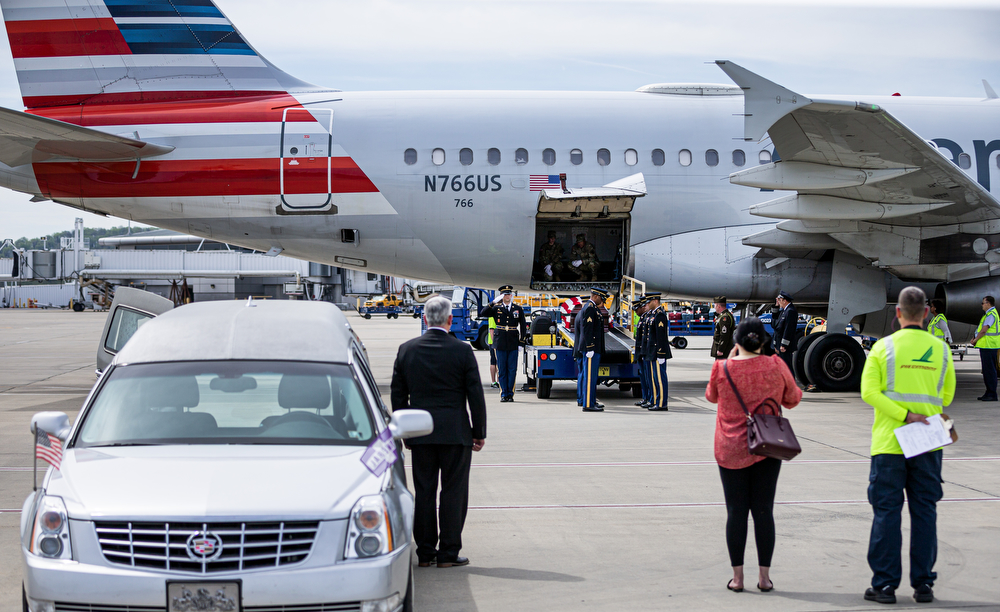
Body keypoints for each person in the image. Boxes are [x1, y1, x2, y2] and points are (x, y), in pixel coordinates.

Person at [860, 286, 955, 604]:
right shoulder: (940, 350)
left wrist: (904, 414)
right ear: (926, 313)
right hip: (928, 441)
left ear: (897, 314)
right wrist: (921, 413)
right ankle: (924, 584)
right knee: (925, 511)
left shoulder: (882, 349)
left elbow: (869, 393)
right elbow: (947, 396)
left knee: (887, 513)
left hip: (889, 443)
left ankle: (885, 585)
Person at [705, 316, 802, 594]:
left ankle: (737, 578)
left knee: (736, 512)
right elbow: (793, 399)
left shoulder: (721, 368)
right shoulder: (775, 365)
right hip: (766, 446)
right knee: (763, 511)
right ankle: (764, 577)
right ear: (764, 341)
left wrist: (731, 361)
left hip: (730, 448)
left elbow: (711, 397)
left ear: (736, 342)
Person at [391, 295, 487, 569]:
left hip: (420, 434)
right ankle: (448, 553)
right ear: (449, 320)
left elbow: (399, 396)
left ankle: (424, 552)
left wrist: (406, 431)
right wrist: (478, 431)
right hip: (455, 433)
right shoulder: (462, 350)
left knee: (424, 491)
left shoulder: (407, 350)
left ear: (424, 319)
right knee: (453, 492)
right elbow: (475, 395)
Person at [479, 285, 527, 402]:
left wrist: (521, 342)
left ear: (511, 295)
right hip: (499, 342)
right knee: (502, 369)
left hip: (512, 341)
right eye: (505, 294)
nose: (507, 296)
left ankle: (510, 394)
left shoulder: (518, 308)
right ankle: (503, 394)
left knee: (512, 369)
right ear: (502, 296)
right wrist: (493, 302)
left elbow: (523, 326)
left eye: (509, 294)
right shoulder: (496, 308)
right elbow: (482, 313)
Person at [574, 287, 608, 411]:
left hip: (594, 349)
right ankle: (588, 404)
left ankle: (591, 400)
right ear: (595, 296)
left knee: (592, 377)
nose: (602, 301)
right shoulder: (589, 308)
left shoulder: (593, 308)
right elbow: (587, 330)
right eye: (601, 298)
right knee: (589, 377)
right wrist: (590, 348)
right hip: (591, 349)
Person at [644, 292, 671, 411]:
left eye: (649, 302)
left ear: (655, 301)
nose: (647, 304)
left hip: (658, 352)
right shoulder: (654, 314)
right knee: (655, 378)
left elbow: (661, 337)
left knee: (660, 379)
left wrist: (661, 353)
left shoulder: (660, 315)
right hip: (653, 352)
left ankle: (661, 403)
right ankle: (657, 400)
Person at [970, 295, 999, 402]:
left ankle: (992, 393)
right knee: (987, 371)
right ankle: (989, 392)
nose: (982, 305)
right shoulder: (988, 314)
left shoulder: (991, 314)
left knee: (989, 371)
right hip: (987, 346)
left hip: (989, 346)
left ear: (988, 303)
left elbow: (984, 330)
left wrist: (975, 339)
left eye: (983, 303)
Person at [771, 291, 799, 373]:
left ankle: (790, 385)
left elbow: (788, 329)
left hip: (785, 347)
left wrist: (784, 345)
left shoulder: (790, 311)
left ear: (784, 300)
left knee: (787, 367)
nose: (778, 302)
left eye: (779, 300)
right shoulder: (784, 311)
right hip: (780, 345)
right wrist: (776, 306)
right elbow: (775, 325)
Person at [632, 297, 648, 407]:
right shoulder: (642, 318)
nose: (636, 312)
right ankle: (646, 398)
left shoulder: (647, 318)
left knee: (648, 378)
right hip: (642, 353)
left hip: (646, 353)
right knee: (643, 377)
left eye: (637, 309)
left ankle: (650, 399)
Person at [487, 314, 499, 389]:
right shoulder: (492, 316)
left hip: (495, 342)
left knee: (495, 361)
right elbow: (492, 330)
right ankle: (495, 381)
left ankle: (497, 381)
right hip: (494, 342)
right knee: (495, 362)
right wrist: (495, 343)